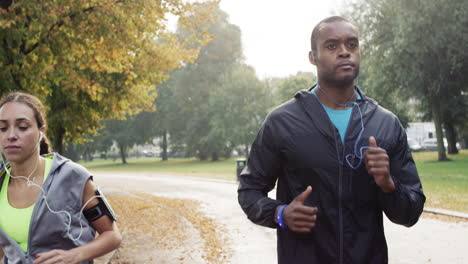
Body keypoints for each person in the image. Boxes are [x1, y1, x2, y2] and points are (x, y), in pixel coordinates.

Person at [238, 16, 425, 263]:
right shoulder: (282, 122)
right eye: (332, 46)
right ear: (312, 57)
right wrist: (280, 213)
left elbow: (410, 213)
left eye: (352, 44)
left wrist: (388, 184)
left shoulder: (385, 124)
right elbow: (249, 190)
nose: (344, 52)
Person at [0, 92, 122, 264]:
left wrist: (75, 255)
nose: (11, 135)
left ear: (40, 132)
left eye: (22, 126)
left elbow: (112, 235)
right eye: (2, 128)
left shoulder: (73, 177)